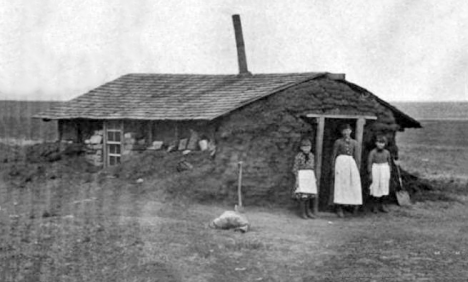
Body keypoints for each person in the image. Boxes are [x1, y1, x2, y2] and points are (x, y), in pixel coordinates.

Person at [331, 124, 362, 218]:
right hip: (340, 164)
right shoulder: (338, 142)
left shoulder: (355, 143)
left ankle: (351, 206)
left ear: (351, 131)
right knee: (340, 185)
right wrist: (333, 168)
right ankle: (339, 208)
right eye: (344, 130)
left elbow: (357, 156)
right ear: (341, 132)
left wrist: (357, 168)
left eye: (348, 130)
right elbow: (333, 155)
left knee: (351, 184)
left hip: (350, 164)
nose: (346, 132)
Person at [292, 139, 318, 219]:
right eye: (305, 147)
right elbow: (295, 168)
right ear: (301, 148)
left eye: (308, 147)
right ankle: (302, 212)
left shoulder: (312, 156)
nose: (307, 149)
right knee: (303, 195)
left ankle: (308, 211)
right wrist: (297, 178)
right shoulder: (299, 156)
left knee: (309, 195)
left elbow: (313, 166)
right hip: (302, 175)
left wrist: (314, 177)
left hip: (309, 175)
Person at [367, 136, 392, 213]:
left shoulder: (387, 152)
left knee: (384, 186)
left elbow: (389, 162)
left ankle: (383, 205)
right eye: (379, 143)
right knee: (376, 186)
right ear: (376, 143)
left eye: (382, 143)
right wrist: (370, 173)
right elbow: (369, 163)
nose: (380, 145)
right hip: (376, 170)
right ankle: (375, 206)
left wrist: (389, 171)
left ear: (385, 144)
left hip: (384, 170)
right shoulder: (373, 152)